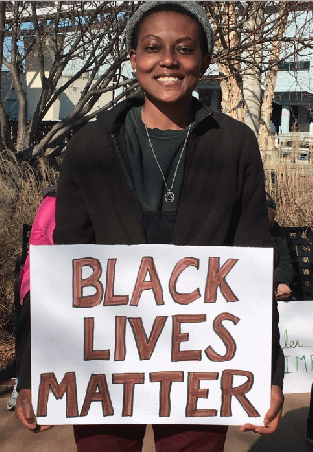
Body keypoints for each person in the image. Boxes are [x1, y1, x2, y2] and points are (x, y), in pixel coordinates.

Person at [16, 2, 284, 451]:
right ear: (133, 59)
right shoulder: (92, 142)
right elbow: (64, 267)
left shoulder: (235, 144)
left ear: (203, 61)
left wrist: (266, 372)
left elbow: (253, 265)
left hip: (200, 361)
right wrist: (33, 371)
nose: (168, 61)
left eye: (185, 49)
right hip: (102, 363)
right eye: (152, 48)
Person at [6, 188, 56, 411]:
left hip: (66, 280)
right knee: (37, 311)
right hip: (41, 279)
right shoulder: (53, 204)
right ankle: (23, 384)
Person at [266, 193, 293, 300]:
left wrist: (281, 283)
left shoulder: (278, 233)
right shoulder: (239, 233)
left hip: (273, 289)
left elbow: (284, 261)